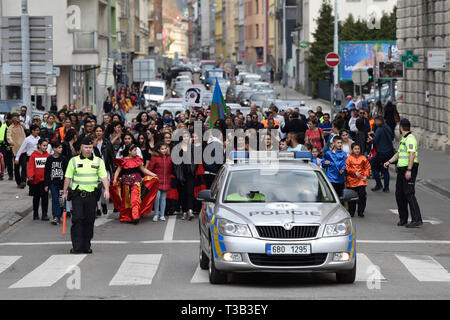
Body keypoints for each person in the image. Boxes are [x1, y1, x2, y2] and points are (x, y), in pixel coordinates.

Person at [62, 137, 110, 254]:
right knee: (77, 219)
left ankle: (86, 245)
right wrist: (64, 192)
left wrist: (106, 190)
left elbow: (103, 176)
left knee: (89, 220)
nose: (88, 150)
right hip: (78, 195)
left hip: (91, 196)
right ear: (81, 148)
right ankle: (77, 246)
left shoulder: (98, 161)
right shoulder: (74, 161)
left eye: (90, 147)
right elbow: (68, 177)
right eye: (86, 147)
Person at [384, 118, 423, 228]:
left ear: (401, 127)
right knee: (399, 194)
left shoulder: (410, 139)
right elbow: (399, 154)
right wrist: (389, 162)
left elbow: (412, 154)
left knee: (409, 194)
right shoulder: (404, 139)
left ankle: (417, 219)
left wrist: (409, 170)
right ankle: (403, 219)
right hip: (401, 170)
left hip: (409, 169)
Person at [111, 144, 158, 224]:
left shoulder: (137, 160)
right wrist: (115, 179)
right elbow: (118, 171)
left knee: (135, 199)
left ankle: (135, 216)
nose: (136, 152)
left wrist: (153, 175)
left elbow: (143, 170)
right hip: (125, 183)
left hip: (136, 182)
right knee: (126, 201)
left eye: (136, 150)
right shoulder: (123, 160)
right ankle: (127, 216)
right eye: (134, 150)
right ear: (129, 151)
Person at [44, 141, 68, 225]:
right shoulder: (50, 159)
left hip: (62, 183)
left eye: (61, 147)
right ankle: (56, 216)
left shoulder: (64, 159)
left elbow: (67, 172)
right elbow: (47, 172)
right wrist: (46, 184)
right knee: (54, 199)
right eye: (59, 148)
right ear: (54, 148)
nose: (60, 149)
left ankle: (60, 215)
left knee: (61, 200)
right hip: (53, 183)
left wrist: (67, 183)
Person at [148, 143, 173, 221]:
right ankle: (156, 214)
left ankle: (162, 215)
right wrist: (152, 176)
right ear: (158, 150)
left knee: (163, 199)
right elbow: (149, 169)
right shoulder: (155, 158)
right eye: (162, 149)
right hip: (157, 181)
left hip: (166, 181)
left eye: (165, 148)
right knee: (157, 198)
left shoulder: (170, 158)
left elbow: (172, 168)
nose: (164, 150)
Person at [27, 139, 51, 221]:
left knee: (45, 198)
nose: (45, 147)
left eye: (46, 146)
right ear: (39, 145)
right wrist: (30, 175)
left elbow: (49, 169)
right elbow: (30, 166)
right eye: (44, 145)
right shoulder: (33, 155)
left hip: (45, 181)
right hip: (35, 181)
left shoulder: (48, 156)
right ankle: (35, 214)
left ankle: (44, 214)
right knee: (36, 198)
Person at [345, 143, 371, 217]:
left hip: (361, 180)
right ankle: (351, 211)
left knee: (362, 196)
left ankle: (361, 211)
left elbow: (367, 167)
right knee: (352, 197)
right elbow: (347, 168)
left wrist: (366, 175)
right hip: (351, 180)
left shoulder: (363, 158)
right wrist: (354, 172)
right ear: (352, 150)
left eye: (358, 149)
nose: (357, 150)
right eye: (355, 149)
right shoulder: (349, 158)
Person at [371, 116, 395, 192]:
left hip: (381, 152)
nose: (374, 123)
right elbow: (392, 137)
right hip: (389, 151)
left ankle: (379, 184)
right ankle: (386, 188)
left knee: (374, 167)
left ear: (379, 121)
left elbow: (375, 140)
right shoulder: (387, 127)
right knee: (385, 169)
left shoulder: (379, 129)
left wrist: (370, 139)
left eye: (375, 121)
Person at [7, 113, 26, 187]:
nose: (17, 119)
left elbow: (27, 130)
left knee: (24, 165)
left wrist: (22, 124)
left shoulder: (21, 125)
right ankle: (19, 182)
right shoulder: (10, 128)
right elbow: (8, 136)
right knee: (17, 167)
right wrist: (10, 141)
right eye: (16, 118)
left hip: (23, 149)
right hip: (15, 150)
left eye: (18, 117)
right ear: (13, 119)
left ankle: (23, 181)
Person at [0, 114, 14, 180]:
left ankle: (10, 175)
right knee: (3, 160)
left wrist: (9, 146)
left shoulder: (13, 127)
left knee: (10, 162)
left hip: (10, 146)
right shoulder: (3, 126)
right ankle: (1, 173)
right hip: (3, 146)